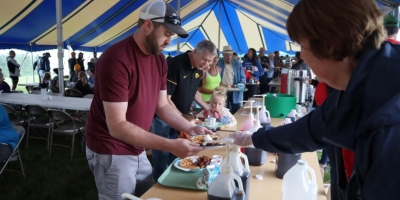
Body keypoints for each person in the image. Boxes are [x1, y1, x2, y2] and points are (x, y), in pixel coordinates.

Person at [230, 0, 400, 199]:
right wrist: (254, 138)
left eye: (302, 45)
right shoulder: (362, 80)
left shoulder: (389, 119)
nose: (300, 54)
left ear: (329, 46)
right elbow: (310, 129)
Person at [85, 0, 211, 199]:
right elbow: (117, 126)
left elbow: (162, 105)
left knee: (146, 193)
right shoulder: (116, 59)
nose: (169, 41)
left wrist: (188, 128)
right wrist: (170, 145)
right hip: (111, 148)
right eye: (168, 34)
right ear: (148, 25)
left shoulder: (159, 59)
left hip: (137, 145)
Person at [151, 40, 218, 181]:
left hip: (181, 119)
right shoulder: (176, 65)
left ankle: (173, 180)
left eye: (210, 62)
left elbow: (194, 92)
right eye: (204, 60)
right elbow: (166, 99)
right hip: (164, 118)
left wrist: (207, 108)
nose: (206, 64)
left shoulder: (199, 68)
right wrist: (182, 119)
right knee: (162, 152)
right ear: (194, 52)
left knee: (178, 152)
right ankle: (159, 183)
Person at [217, 45, 246, 114]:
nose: (229, 57)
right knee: (223, 110)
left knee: (236, 110)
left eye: (230, 55)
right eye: (227, 55)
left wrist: (239, 85)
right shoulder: (218, 63)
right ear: (223, 55)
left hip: (235, 91)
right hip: (222, 90)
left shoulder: (237, 64)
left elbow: (243, 78)